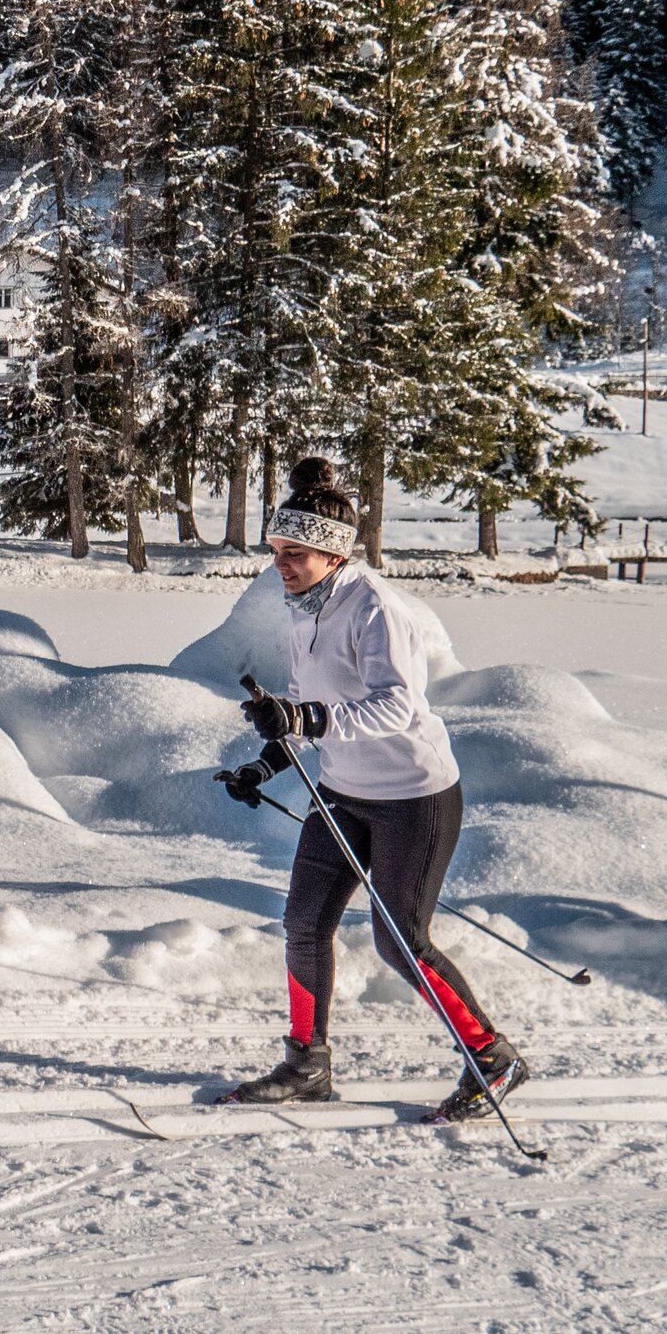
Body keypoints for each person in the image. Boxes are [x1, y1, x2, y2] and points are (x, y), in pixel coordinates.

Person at [214, 460, 524, 1121]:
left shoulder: (376, 609)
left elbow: (396, 707)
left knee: (400, 940)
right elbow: (306, 706)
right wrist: (264, 765)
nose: (280, 565)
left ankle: (493, 1057)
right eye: (276, 550)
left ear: (333, 553)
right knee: (304, 922)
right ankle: (307, 1065)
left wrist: (306, 718)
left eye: (294, 554)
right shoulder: (304, 607)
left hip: (414, 797)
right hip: (343, 791)